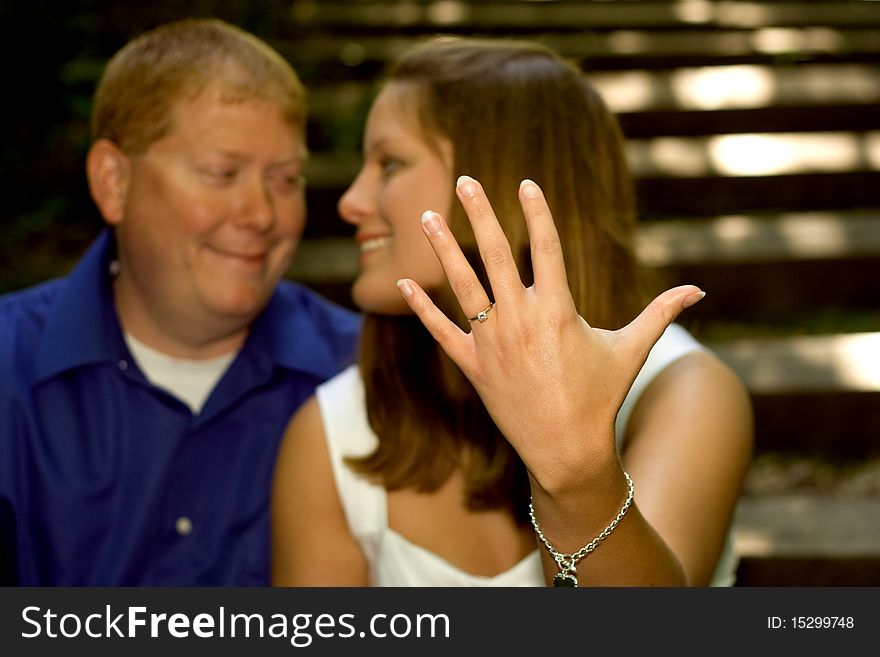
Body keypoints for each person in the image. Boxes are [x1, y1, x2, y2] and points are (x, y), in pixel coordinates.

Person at [271, 37, 753, 587]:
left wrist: (572, 470)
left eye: (390, 163)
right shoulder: (332, 430)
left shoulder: (687, 391)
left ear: (495, 181)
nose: (350, 201)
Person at [0, 18, 360, 586]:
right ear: (114, 182)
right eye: (223, 173)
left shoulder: (365, 376)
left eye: (286, 180)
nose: (262, 214)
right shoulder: (9, 370)